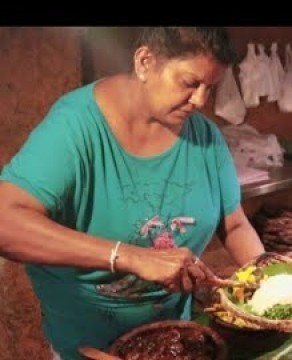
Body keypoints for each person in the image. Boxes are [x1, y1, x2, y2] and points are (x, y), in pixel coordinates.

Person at [0, 27, 265, 360]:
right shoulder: (75, 128)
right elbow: (5, 222)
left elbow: (235, 224)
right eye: (189, 83)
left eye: (209, 88)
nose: (200, 101)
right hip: (89, 348)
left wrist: (268, 285)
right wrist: (131, 256)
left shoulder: (206, 138)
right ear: (144, 62)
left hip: (173, 343)